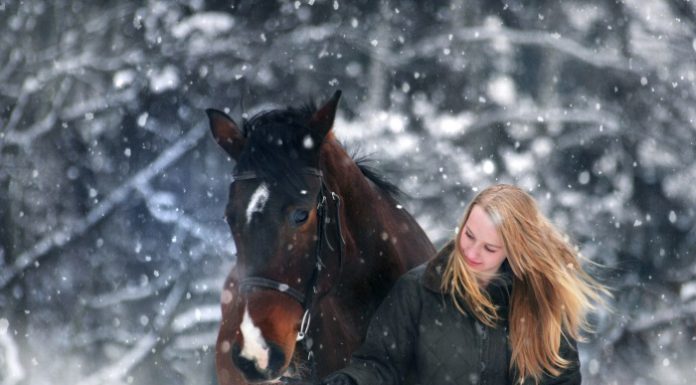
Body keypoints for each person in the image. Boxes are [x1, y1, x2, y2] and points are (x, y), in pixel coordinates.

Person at [310, 184, 608, 385]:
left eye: (490, 248)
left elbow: (562, 379)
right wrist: (350, 380)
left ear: (515, 252)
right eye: (469, 235)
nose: (472, 252)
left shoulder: (542, 306)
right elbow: (380, 363)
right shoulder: (418, 290)